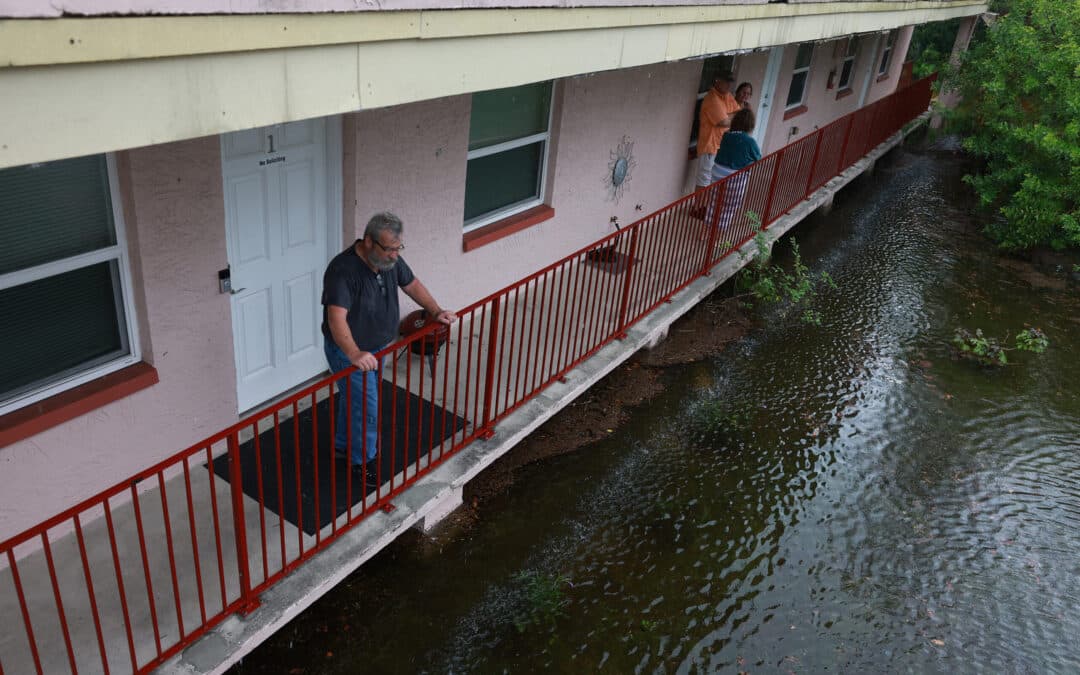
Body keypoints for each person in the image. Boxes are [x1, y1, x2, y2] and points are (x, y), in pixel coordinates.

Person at [321, 212, 456, 489]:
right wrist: (355, 353)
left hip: (378, 348)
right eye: (389, 249)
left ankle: (343, 447)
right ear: (369, 242)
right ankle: (362, 463)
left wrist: (436, 311)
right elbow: (336, 319)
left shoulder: (389, 259)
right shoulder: (342, 270)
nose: (395, 255)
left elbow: (412, 284)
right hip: (350, 352)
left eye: (398, 248)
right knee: (368, 405)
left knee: (356, 401)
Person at [709, 108, 762, 231]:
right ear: (750, 125)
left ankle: (704, 232)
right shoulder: (750, 141)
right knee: (728, 207)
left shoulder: (726, 135)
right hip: (734, 178)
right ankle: (717, 238)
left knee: (714, 203)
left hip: (717, 172)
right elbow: (758, 158)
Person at [694, 71, 742, 190]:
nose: (729, 85)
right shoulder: (711, 98)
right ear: (717, 80)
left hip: (721, 146)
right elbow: (723, 122)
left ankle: (706, 207)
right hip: (709, 147)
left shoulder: (727, 96)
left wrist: (726, 116)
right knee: (704, 180)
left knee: (714, 181)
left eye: (730, 82)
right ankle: (699, 207)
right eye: (726, 82)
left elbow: (740, 115)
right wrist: (730, 116)